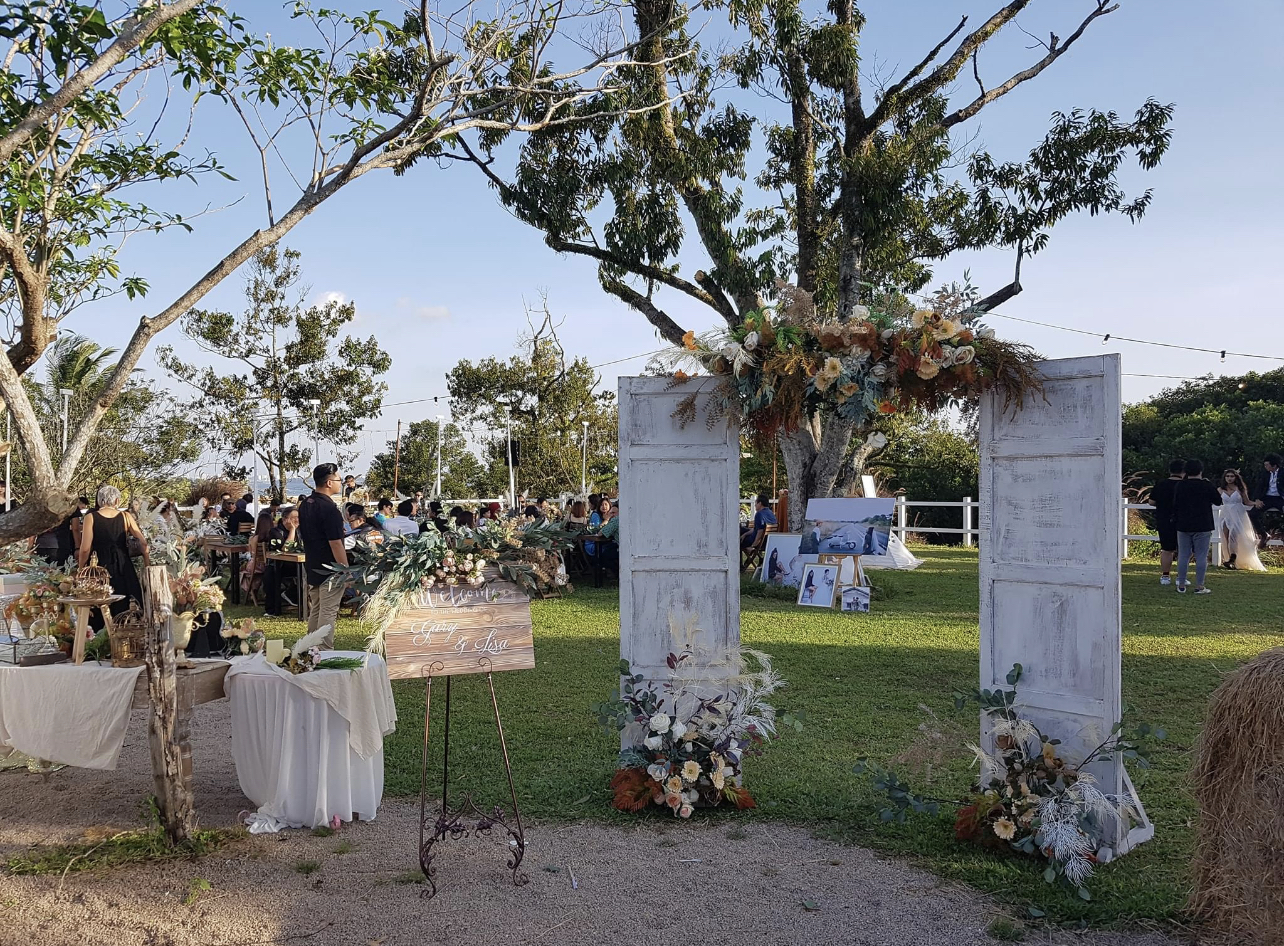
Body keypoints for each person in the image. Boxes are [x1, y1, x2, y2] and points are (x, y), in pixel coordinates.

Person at [77, 485, 148, 627]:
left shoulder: (90, 517)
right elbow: (143, 543)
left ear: (100, 501)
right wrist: (147, 564)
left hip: (98, 565)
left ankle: (100, 639)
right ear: (116, 501)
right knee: (125, 604)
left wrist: (81, 568)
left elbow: (85, 549)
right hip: (123, 564)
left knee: (99, 602)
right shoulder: (125, 516)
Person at [297, 463, 348, 647]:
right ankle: (325, 650)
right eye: (338, 480)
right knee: (328, 610)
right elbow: (335, 543)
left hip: (313, 564)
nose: (340, 483)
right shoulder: (329, 508)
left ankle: (310, 647)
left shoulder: (306, 504)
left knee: (317, 609)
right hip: (330, 568)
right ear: (328, 482)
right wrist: (345, 570)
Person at [1171, 459, 1222, 595]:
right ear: (1200, 470)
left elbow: (1175, 504)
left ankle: (1181, 584)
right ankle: (1199, 585)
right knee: (1201, 556)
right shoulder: (1206, 485)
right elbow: (1218, 501)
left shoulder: (1180, 486)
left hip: (1183, 524)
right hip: (1203, 524)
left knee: (1183, 555)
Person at [1217, 470, 1265, 571]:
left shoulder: (1240, 489)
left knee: (1233, 536)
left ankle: (1232, 559)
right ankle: (1229, 560)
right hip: (1225, 513)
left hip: (1238, 513)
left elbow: (1246, 502)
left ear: (1236, 477)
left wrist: (1255, 503)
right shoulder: (1220, 489)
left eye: (1232, 476)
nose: (1229, 478)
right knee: (1225, 536)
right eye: (1227, 476)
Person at [1150, 459, 1185, 585]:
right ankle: (1182, 576)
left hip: (1164, 519)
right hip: (1183, 520)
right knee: (1183, 549)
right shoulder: (1185, 485)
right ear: (1183, 471)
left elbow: (1151, 502)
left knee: (1166, 549)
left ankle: (1165, 576)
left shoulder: (1161, 484)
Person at [1250, 453, 1283, 546]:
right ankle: (1263, 534)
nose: (1265, 467)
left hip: (1280, 498)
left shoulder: (1283, 473)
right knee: (1253, 513)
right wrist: (1256, 499)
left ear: (1274, 465)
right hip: (1267, 498)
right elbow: (1259, 487)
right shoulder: (1264, 474)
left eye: (1267, 465)